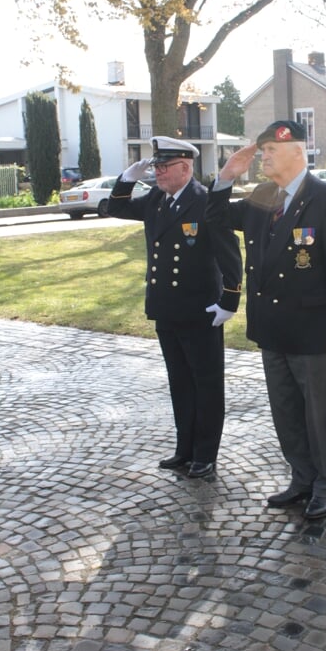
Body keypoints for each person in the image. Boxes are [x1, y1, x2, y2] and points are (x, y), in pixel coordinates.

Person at [207, 120, 326, 520]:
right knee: (286, 411)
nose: (263, 157)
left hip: (314, 329)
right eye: (261, 152)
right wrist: (226, 175)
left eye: (271, 151)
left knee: (320, 413)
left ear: (297, 152)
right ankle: (301, 479)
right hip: (272, 327)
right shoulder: (263, 195)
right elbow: (217, 218)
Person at [108, 136, 242, 479]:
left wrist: (229, 299)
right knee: (179, 382)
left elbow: (230, 251)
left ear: (185, 167)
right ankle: (185, 449)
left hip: (201, 310)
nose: (157, 174)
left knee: (206, 383)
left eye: (163, 167)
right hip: (166, 308)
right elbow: (117, 208)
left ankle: (205, 454)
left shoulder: (205, 201)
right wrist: (127, 178)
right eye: (155, 167)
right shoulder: (156, 199)